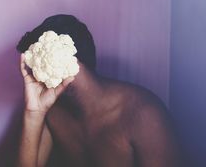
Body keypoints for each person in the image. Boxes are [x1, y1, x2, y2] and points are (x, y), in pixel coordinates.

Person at [15, 14, 183, 167]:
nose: (35, 76)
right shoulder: (53, 114)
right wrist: (33, 113)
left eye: (38, 65)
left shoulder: (144, 114)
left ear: (68, 58)